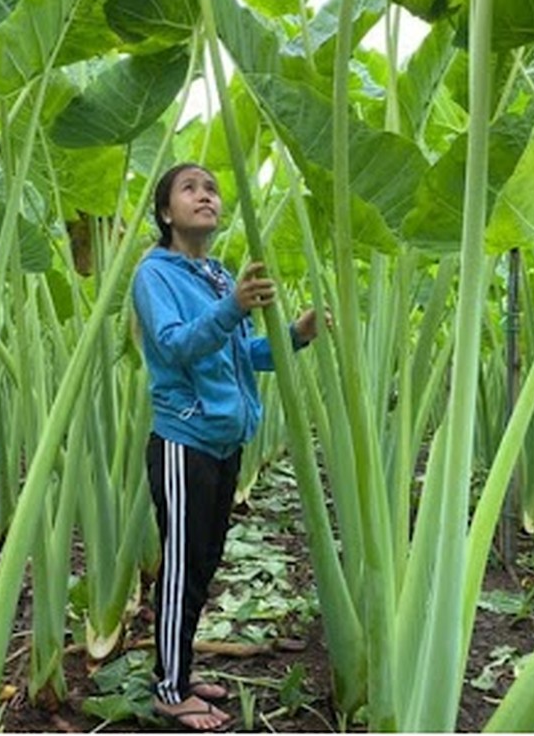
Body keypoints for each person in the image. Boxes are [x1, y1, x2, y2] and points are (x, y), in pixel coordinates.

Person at [132, 163, 320, 731]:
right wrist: (234, 307)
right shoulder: (154, 275)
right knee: (182, 567)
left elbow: (241, 356)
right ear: (166, 212)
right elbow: (175, 346)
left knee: (205, 563)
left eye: (211, 188)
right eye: (189, 188)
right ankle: (168, 690)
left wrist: (294, 337)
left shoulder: (218, 275)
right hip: (183, 441)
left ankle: (180, 669)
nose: (205, 195)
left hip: (224, 441)